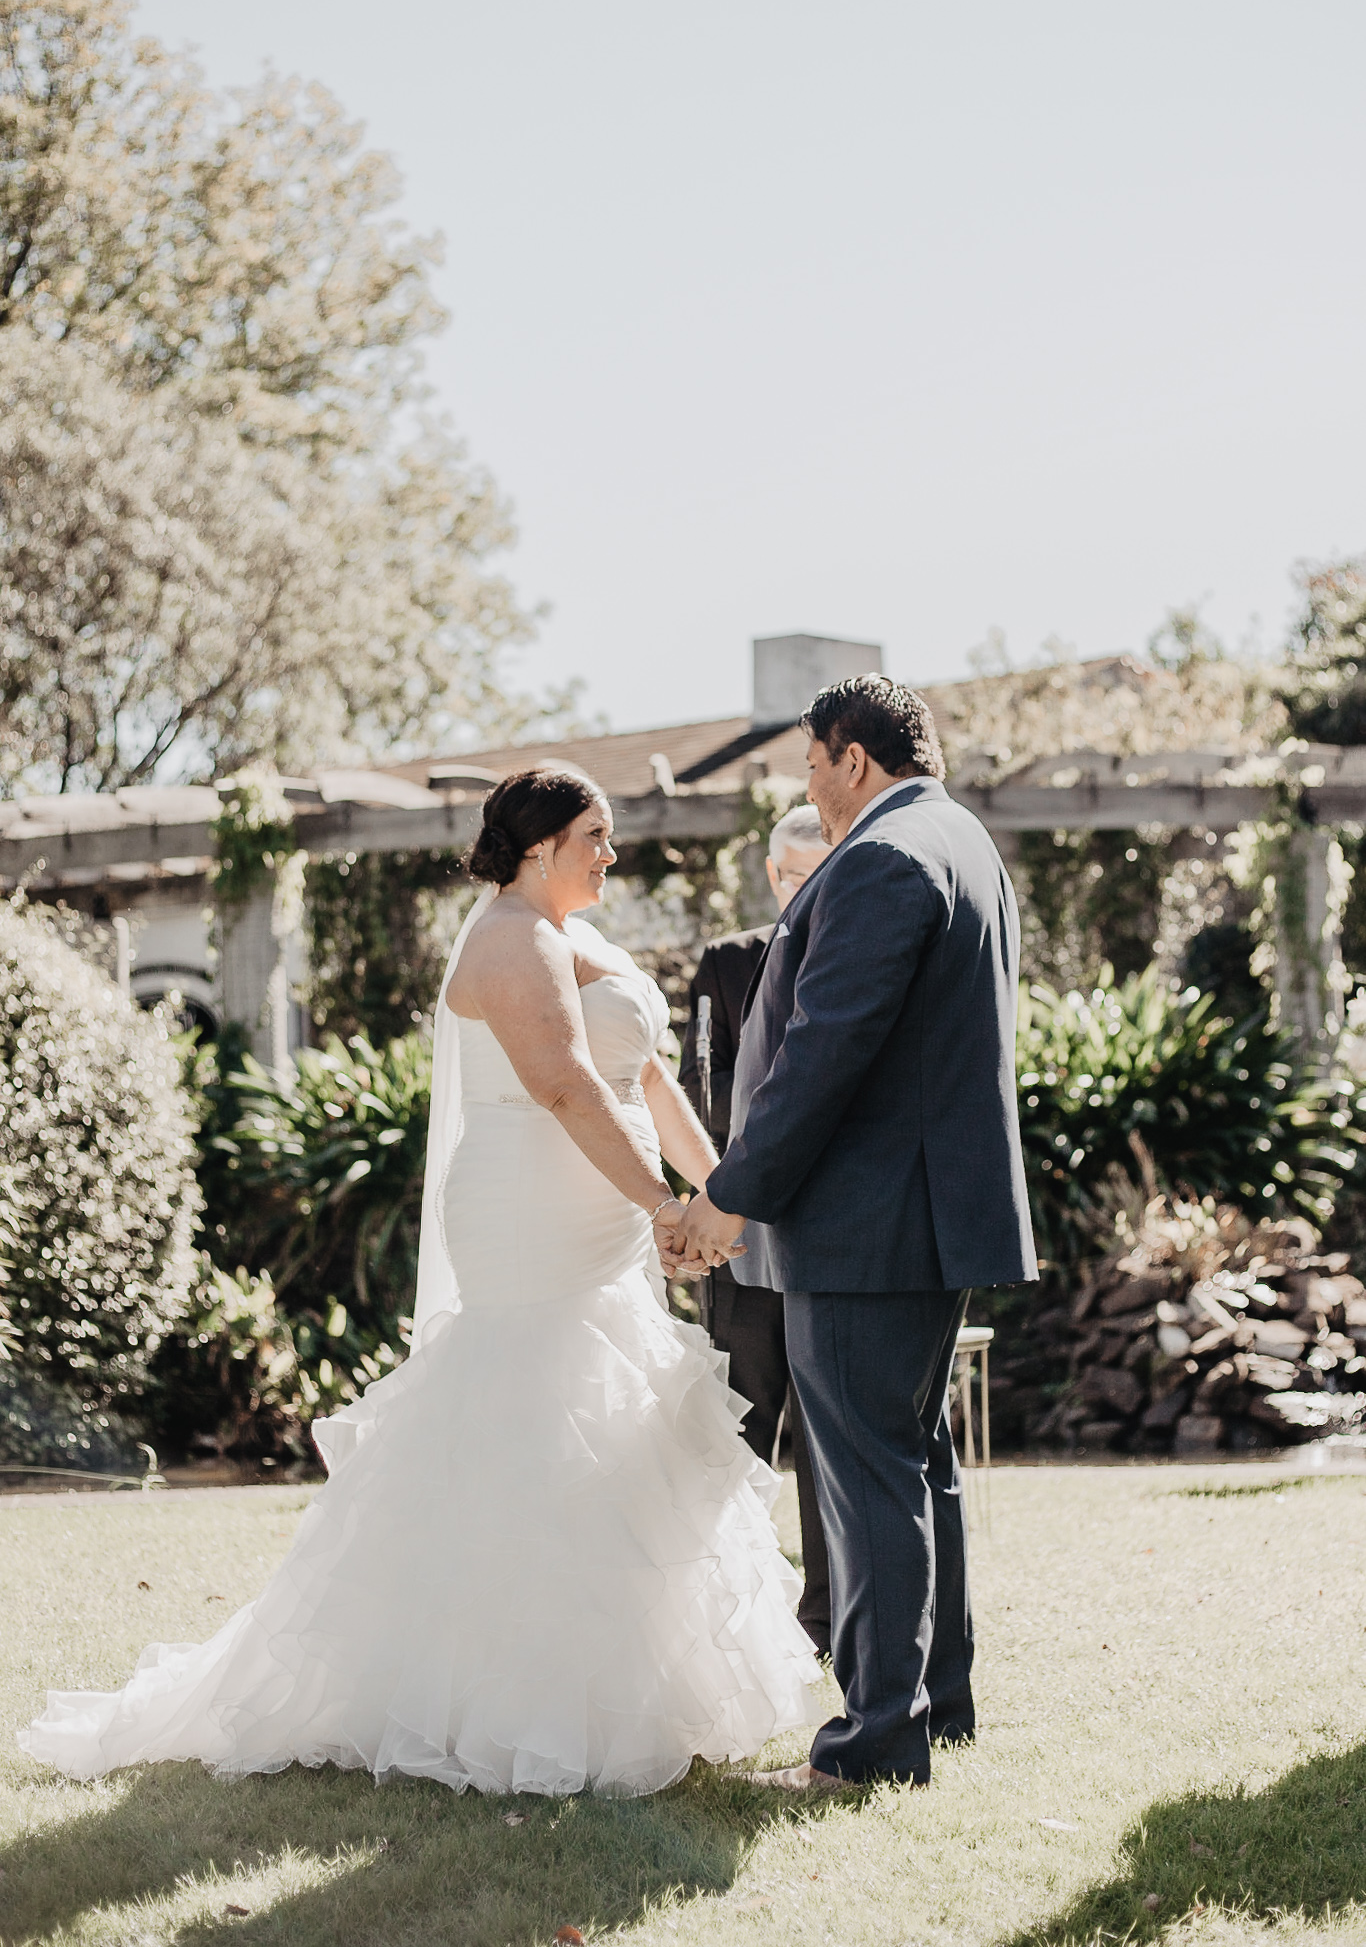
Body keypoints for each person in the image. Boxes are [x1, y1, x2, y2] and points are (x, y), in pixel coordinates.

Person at [21, 767, 821, 1796]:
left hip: (603, 1210)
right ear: (538, 844)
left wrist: (719, 1190)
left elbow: (645, 1076)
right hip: (533, 1212)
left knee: (616, 1435)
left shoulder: (578, 932)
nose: (611, 855)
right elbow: (566, 1083)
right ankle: (500, 1698)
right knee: (532, 1426)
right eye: (596, 836)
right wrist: (660, 1206)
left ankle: (632, 1688)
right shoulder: (508, 938)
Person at [666, 676, 1037, 1794]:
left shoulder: (879, 857)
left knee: (868, 1474)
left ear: (852, 759)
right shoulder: (959, 838)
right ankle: (940, 1701)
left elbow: (821, 1057)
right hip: (922, 1217)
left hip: (867, 1224)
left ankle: (876, 1743)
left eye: (810, 765)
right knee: (916, 1460)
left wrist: (727, 1195)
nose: (806, 787)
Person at [679, 804, 833, 1657]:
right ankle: (724, 1615)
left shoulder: (859, 950)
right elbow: (707, 1087)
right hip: (740, 1239)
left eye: (825, 869)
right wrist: (720, 1202)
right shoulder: (730, 962)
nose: (810, 889)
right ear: (774, 875)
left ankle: (821, 1621)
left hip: (830, 1239)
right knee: (739, 1426)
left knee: (826, 1441)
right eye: (798, 875)